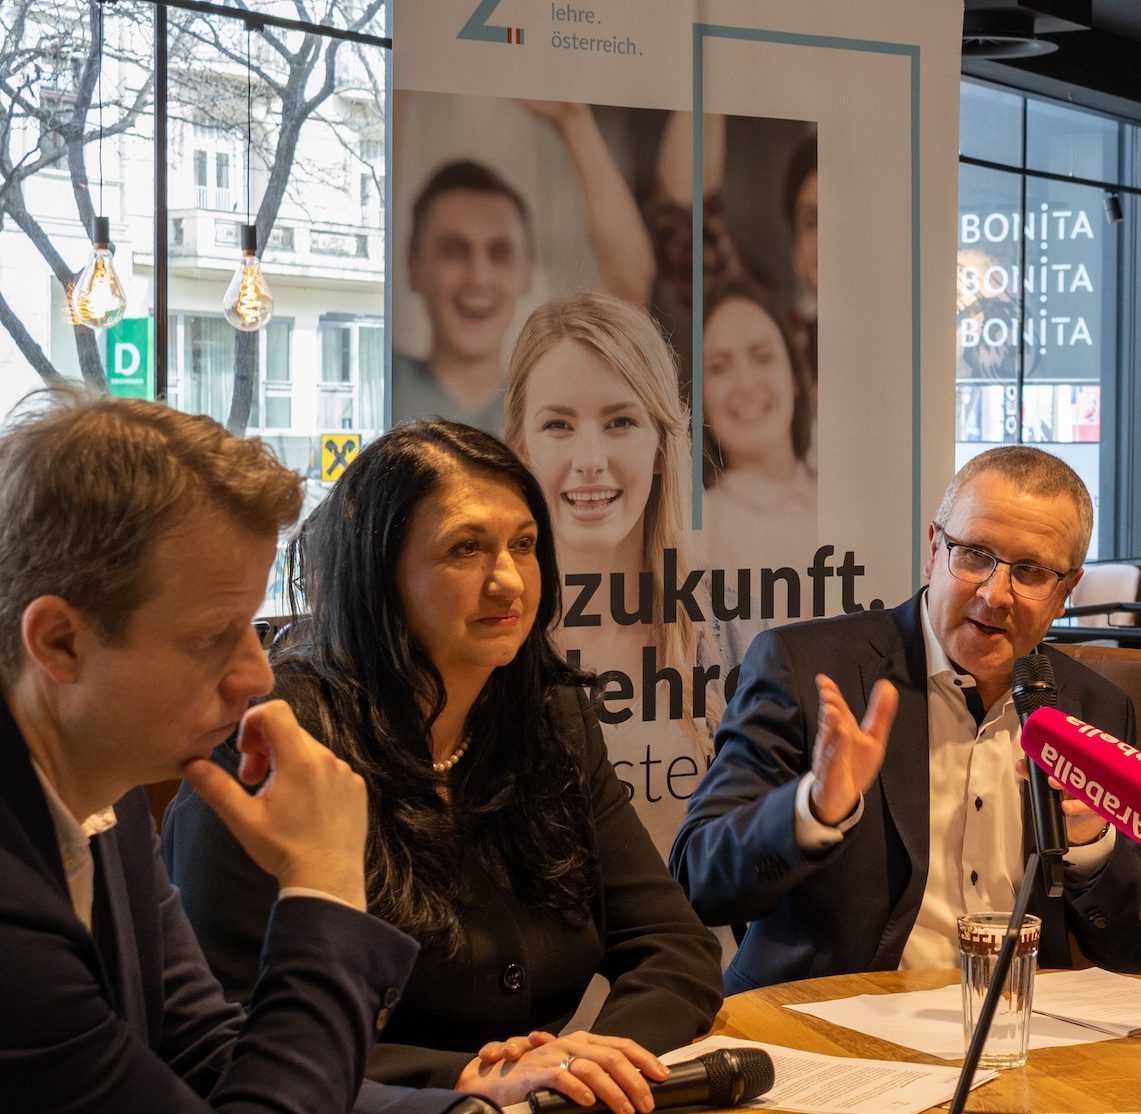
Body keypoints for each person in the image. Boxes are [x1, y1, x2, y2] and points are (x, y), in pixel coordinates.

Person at [163, 420, 723, 1108]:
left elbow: (674, 945)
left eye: (523, 545)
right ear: (378, 572)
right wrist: (462, 1081)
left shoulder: (551, 718)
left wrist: (588, 1064)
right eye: (466, 550)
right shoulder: (277, 740)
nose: (508, 581)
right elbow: (226, 1025)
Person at [0, 388, 467, 1113]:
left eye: (251, 627)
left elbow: (204, 1054)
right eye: (211, 637)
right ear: (59, 642)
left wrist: (465, 1107)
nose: (255, 675)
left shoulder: (103, 781)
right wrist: (326, 885)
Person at [671, 445, 1141, 994]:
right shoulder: (808, 669)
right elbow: (697, 881)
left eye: (1031, 571)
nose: (994, 594)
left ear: (1066, 591)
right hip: (832, 1031)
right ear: (933, 549)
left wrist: (1091, 845)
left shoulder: (1095, 710)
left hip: (1019, 1035)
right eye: (974, 555)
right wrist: (814, 809)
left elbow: (1127, 946)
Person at [503, 292, 728, 862]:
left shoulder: (730, 626)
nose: (590, 458)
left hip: (705, 951)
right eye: (558, 424)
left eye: (619, 421)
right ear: (521, 448)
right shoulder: (486, 633)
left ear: (659, 443)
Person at [393, 101, 655, 433]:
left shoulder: (547, 402)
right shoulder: (384, 377)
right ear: (414, 269)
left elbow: (628, 284)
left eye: (500, 253)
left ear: (526, 273)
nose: (479, 277)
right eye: (454, 252)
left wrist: (574, 123)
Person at [695, 276, 817, 602]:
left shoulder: (847, 496)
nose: (745, 383)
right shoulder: (701, 528)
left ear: (793, 375)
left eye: (762, 357)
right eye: (719, 368)